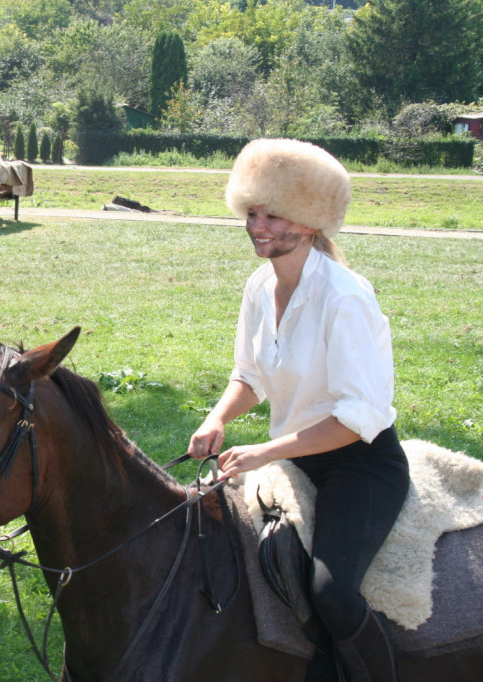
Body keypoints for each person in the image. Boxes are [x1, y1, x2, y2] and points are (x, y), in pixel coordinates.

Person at [187, 139, 408, 682]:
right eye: (253, 212)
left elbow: (360, 416)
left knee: (330, 593)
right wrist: (217, 418)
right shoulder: (260, 286)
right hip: (294, 456)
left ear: (310, 222)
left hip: (360, 463)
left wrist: (266, 451)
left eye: (274, 214)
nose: (258, 226)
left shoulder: (345, 297)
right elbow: (251, 376)